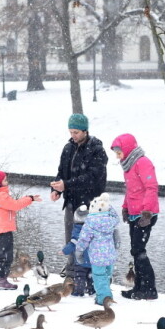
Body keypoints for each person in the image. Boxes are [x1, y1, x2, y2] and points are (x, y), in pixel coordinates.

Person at [50, 113, 108, 276]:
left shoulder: (96, 150)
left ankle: (90, 275)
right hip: (71, 202)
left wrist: (66, 184)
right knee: (71, 240)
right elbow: (61, 172)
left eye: (76, 132)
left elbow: (92, 178)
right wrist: (56, 189)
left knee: (88, 241)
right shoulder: (68, 148)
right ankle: (72, 273)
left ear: (85, 131)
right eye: (70, 132)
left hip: (91, 204)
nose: (73, 136)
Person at [110, 133, 159, 300]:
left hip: (145, 214)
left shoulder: (143, 162)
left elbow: (151, 187)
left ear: (127, 149)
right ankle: (139, 287)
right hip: (134, 214)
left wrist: (147, 212)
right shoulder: (128, 165)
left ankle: (149, 289)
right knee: (135, 250)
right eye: (116, 153)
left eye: (119, 152)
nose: (117, 156)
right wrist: (125, 208)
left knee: (139, 250)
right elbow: (131, 190)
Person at [0, 170, 42, 290]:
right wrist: (29, 198)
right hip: (3, 230)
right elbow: (16, 205)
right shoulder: (0, 196)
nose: (7, 181)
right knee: (6, 256)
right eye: (4, 180)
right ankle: (2, 279)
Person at [74, 193, 120, 305]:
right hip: (110, 255)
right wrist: (108, 205)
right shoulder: (111, 220)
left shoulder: (90, 221)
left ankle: (104, 299)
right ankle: (106, 294)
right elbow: (116, 216)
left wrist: (79, 251)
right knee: (107, 275)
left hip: (97, 257)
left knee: (99, 278)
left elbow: (83, 239)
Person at [60, 205, 95, 297]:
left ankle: (79, 291)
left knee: (79, 276)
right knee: (91, 276)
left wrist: (64, 251)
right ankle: (92, 290)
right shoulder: (93, 229)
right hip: (92, 259)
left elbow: (73, 243)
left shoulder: (76, 230)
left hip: (80, 260)